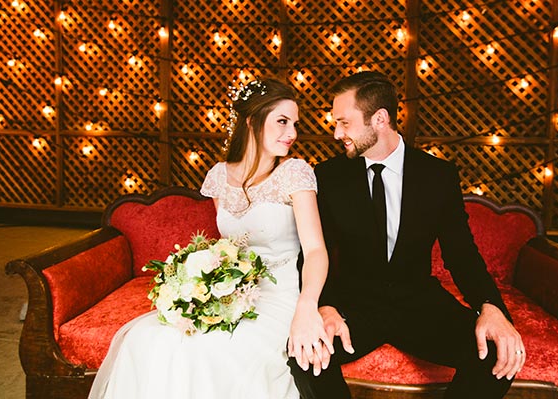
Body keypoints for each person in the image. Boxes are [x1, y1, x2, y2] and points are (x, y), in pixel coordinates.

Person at [288, 71, 526, 399]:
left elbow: (461, 253)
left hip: (418, 303)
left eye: (344, 122)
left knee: (497, 353)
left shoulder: (438, 176)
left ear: (380, 119)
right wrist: (325, 306)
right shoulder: (328, 176)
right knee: (303, 357)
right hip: (354, 305)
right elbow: (317, 250)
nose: (336, 133)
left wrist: (491, 306)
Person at [89, 78, 332, 399]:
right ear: (251, 122)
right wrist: (199, 289)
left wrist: (307, 307)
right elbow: (224, 249)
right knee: (147, 339)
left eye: (295, 124)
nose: (292, 133)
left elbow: (315, 250)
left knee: (215, 351)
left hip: (281, 297)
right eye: (282, 121)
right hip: (233, 294)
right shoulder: (219, 176)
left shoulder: (295, 173)